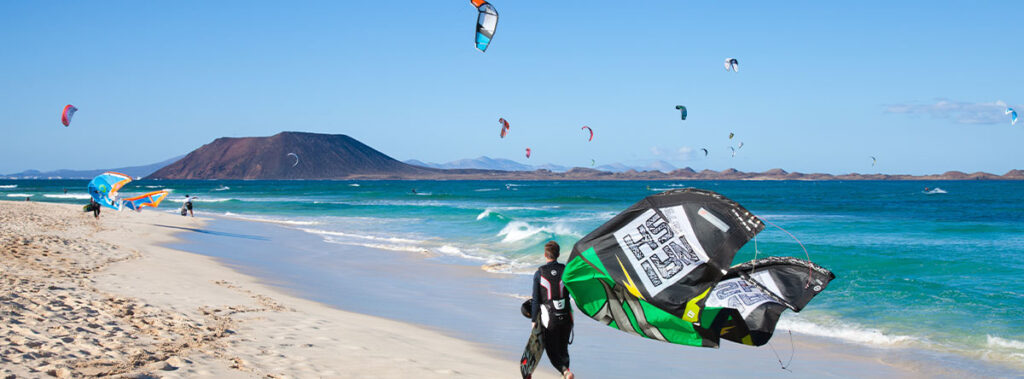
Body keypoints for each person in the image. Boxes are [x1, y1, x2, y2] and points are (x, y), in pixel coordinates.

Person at [531, 241, 575, 379]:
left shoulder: (539, 273)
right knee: (563, 349)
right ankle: (566, 372)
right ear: (559, 254)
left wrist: (534, 320)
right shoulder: (566, 270)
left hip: (550, 319)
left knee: (552, 351)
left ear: (545, 255)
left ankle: (565, 372)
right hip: (567, 316)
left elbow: (536, 300)